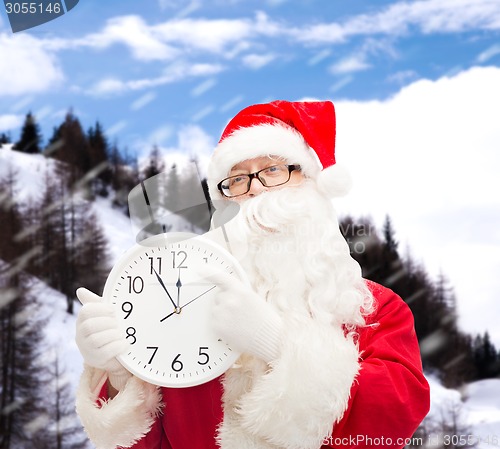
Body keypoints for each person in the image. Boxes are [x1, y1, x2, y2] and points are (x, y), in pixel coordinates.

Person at [75, 100, 430, 449]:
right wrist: (120, 375)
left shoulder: (376, 310)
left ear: (311, 182)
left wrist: (276, 345)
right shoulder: (183, 307)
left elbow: (392, 420)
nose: (256, 188)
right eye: (239, 179)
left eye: (273, 170)